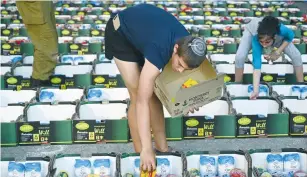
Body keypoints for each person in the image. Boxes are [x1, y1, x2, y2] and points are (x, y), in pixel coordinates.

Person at [104, 4, 206, 172]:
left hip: (145, 33)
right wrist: (146, 148)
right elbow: (143, 102)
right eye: (179, 64)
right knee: (139, 95)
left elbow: (186, 78)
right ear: (175, 50)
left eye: (185, 68)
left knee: (155, 95)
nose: (180, 70)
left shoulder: (190, 46)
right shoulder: (159, 50)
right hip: (120, 33)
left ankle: (162, 148)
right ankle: (142, 154)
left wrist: (189, 98)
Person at [235, 16, 304, 99]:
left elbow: (290, 35)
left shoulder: (282, 30)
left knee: (296, 55)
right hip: (251, 30)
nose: (264, 45)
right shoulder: (256, 38)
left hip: (274, 34)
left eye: (267, 42)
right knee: (240, 56)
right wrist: (256, 90)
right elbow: (257, 64)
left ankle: (301, 85)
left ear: (275, 37)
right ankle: (237, 84)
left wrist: (278, 51)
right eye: (262, 42)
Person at [16, 1, 58, 87]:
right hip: (35, 5)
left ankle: (42, 77)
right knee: (45, 44)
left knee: (49, 40)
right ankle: (39, 82)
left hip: (41, 4)